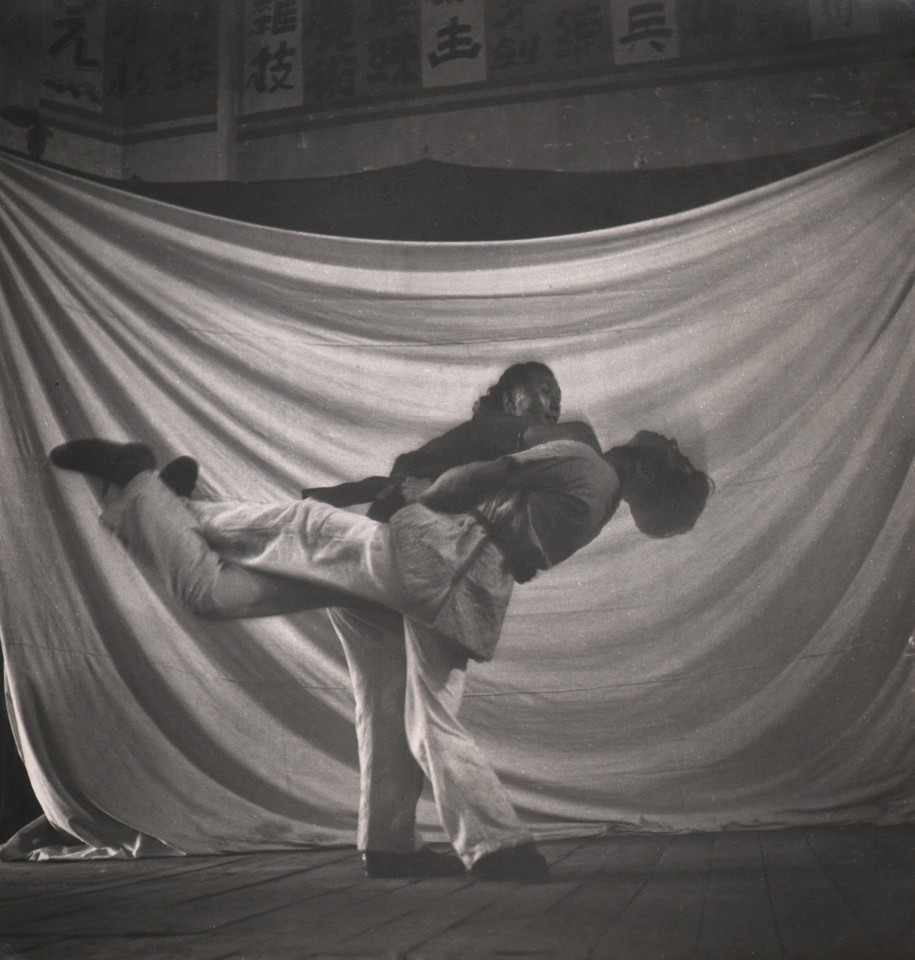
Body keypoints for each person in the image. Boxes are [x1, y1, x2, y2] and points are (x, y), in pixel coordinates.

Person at [49, 422, 711, 882]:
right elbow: (513, 503)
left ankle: (157, 494)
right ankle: (399, 844)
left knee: (297, 534)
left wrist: (425, 495)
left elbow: (490, 473)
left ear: (643, 467)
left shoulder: (587, 466)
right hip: (448, 583)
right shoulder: (596, 496)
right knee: (389, 694)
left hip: (427, 563)